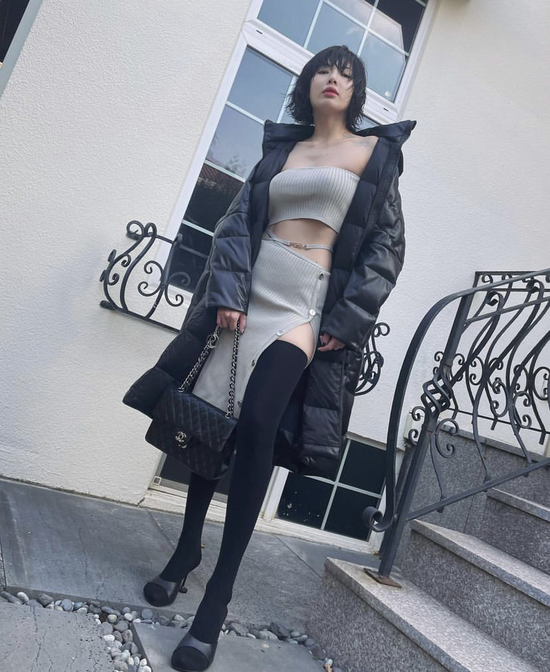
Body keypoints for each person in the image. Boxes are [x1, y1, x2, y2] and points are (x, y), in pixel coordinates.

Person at [126, 44, 415, 672]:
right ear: (306, 83)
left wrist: (348, 318)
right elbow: (235, 225)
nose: (332, 78)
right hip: (248, 296)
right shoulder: (281, 150)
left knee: (258, 424)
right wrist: (228, 292)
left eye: (346, 74)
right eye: (323, 70)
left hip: (303, 306)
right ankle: (185, 552)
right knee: (213, 424)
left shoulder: (375, 155)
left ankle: (218, 596)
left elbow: (387, 248)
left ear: (357, 91)